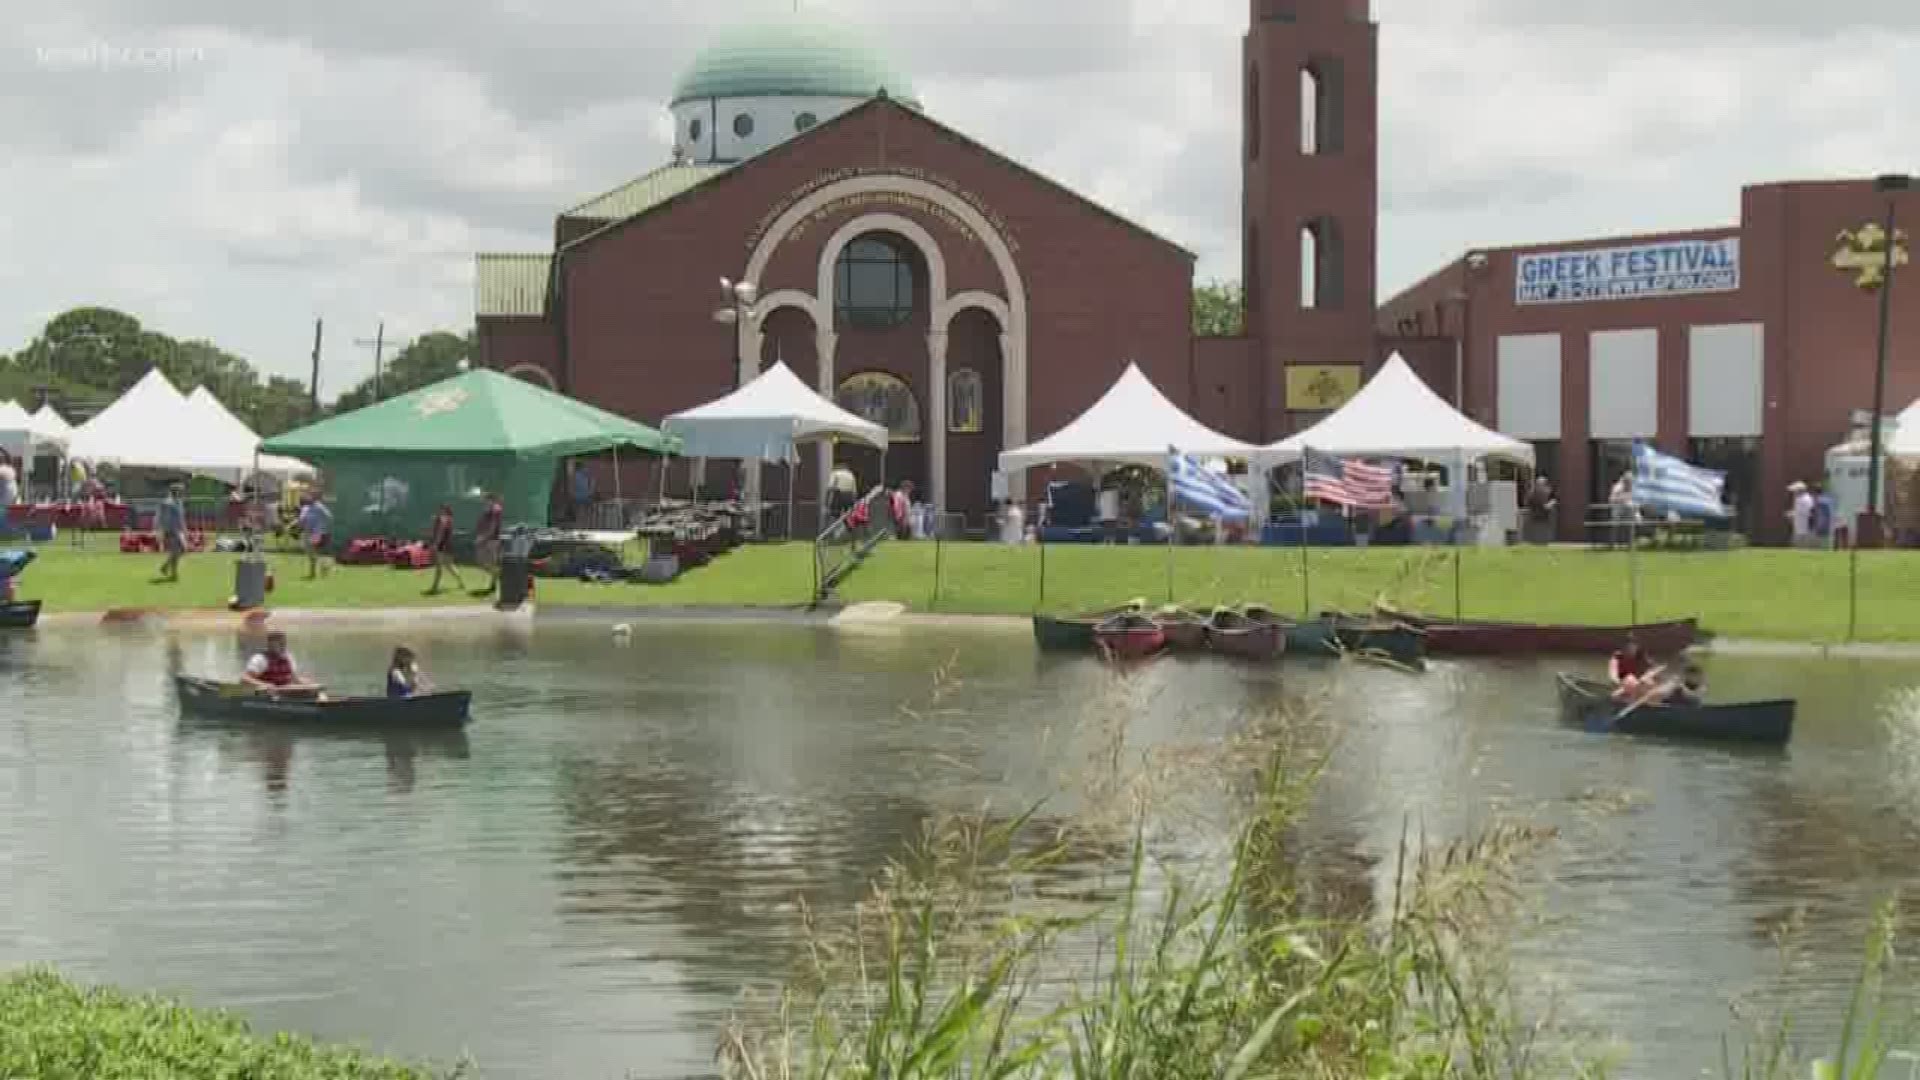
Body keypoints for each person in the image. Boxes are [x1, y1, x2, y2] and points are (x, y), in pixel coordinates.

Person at [243, 631, 314, 694]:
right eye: (279, 644)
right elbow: (245, 679)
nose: (282, 647)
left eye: (283, 644)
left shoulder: (288, 656)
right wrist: (263, 684)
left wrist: (304, 683)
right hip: (266, 693)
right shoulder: (260, 658)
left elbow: (293, 677)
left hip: (284, 691)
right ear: (269, 645)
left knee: (311, 686)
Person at [426, 503, 465, 594]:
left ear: (445, 510)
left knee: (440, 567)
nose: (439, 511)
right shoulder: (449, 519)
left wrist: (436, 544)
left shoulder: (443, 519)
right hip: (448, 545)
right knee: (449, 566)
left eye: (441, 509)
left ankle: (435, 587)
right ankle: (461, 583)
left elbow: (440, 532)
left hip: (442, 546)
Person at [1608, 633, 1656, 700]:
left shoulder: (1641, 654)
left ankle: (1647, 699)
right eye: (1629, 645)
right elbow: (1613, 674)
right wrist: (1621, 683)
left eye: (1634, 645)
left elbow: (1651, 668)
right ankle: (1629, 698)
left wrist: (1646, 676)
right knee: (1628, 682)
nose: (1632, 647)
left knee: (1650, 683)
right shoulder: (1617, 656)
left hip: (1638, 680)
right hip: (1624, 681)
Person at [297, 492, 333, 579]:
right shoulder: (306, 508)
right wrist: (300, 524)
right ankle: (320, 568)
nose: (304, 501)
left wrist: (321, 526)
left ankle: (317, 571)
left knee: (315, 552)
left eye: (306, 499)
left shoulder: (319, 506)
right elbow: (302, 520)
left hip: (316, 533)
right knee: (310, 553)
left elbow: (329, 516)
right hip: (307, 532)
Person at [473, 491, 504, 594]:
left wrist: (483, 538)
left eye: (486, 499)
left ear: (491, 499)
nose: (484, 501)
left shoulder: (495, 509)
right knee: (487, 562)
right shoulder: (489, 509)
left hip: (491, 540)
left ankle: (501, 579)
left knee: (484, 561)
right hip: (488, 538)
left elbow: (493, 526)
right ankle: (494, 583)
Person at [156, 483, 188, 582]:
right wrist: (161, 530)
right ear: (175, 491)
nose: (182, 493)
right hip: (171, 530)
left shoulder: (179, 502)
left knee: (181, 550)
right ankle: (172, 573)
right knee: (178, 550)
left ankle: (167, 568)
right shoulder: (167, 503)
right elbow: (162, 518)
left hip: (179, 530)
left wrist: (185, 529)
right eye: (180, 491)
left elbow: (181, 517)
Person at [1524, 476, 1556, 545]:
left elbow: (1527, 503)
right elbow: (1545, 506)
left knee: (1539, 540)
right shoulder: (1536, 493)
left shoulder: (1532, 493)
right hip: (1539, 518)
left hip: (1539, 518)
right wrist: (1551, 503)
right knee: (1539, 540)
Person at [1787, 481, 1815, 548]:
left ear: (1799, 490)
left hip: (1804, 528)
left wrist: (1793, 514)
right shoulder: (1801, 499)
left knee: (1801, 548)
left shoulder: (1804, 499)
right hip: (1799, 527)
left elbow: (1808, 513)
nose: (1794, 493)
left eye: (1795, 491)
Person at [1810, 482, 1835, 548]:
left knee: (1821, 540)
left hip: (1823, 522)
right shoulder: (1828, 498)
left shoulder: (1818, 500)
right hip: (1830, 522)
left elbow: (1819, 513)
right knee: (1827, 541)